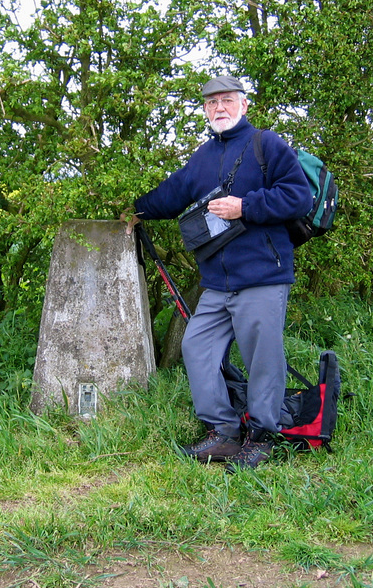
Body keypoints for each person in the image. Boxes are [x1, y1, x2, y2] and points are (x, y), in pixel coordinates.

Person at [122, 75, 313, 471]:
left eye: (227, 100)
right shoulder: (204, 157)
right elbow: (172, 194)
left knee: (263, 357)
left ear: (244, 105)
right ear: (206, 111)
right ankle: (222, 434)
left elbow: (299, 196)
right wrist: (132, 210)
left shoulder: (267, 145)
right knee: (197, 347)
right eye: (212, 103)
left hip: (263, 276)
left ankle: (263, 436)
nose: (219, 108)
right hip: (216, 284)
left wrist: (246, 206)